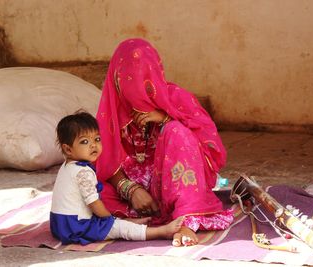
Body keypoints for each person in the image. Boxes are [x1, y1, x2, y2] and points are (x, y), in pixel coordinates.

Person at [95, 38, 234, 247]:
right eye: (128, 80)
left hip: (172, 186)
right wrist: (130, 189)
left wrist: (165, 118)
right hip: (131, 193)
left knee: (177, 131)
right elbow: (102, 159)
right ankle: (135, 222)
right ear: (116, 79)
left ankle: (186, 219)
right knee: (83, 179)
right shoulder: (111, 109)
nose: (136, 89)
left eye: (143, 78)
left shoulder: (175, 98)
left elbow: (212, 147)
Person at [50, 111, 184, 245]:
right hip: (77, 227)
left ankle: (130, 222)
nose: (93, 145)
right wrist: (110, 220)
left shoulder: (67, 166)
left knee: (108, 215)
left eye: (97, 139)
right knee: (119, 228)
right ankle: (161, 231)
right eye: (84, 141)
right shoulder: (83, 172)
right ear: (68, 150)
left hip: (59, 225)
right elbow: (94, 203)